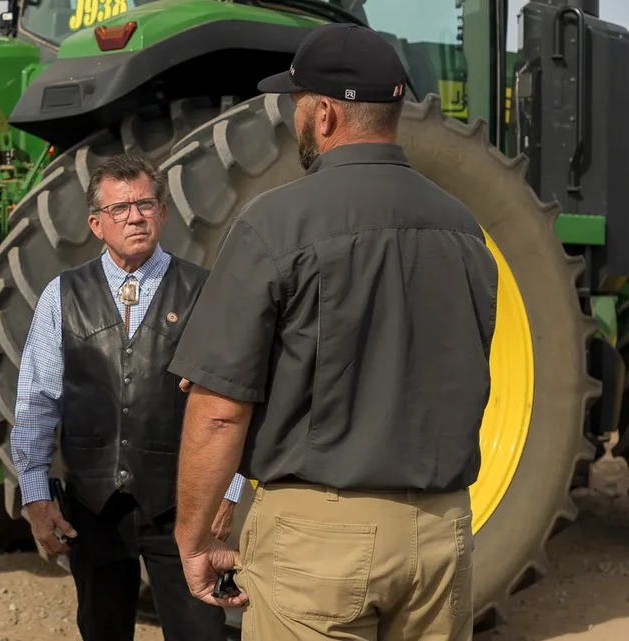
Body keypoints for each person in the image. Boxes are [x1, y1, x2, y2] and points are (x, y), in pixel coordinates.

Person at [168, 23, 498, 641]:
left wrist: (193, 536)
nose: (295, 119)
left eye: (296, 105)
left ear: (323, 115)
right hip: (444, 532)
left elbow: (217, 410)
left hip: (320, 540)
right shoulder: (466, 231)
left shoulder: (275, 224)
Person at [11, 154, 248, 641]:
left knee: (202, 633)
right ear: (97, 224)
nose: (134, 216)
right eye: (119, 209)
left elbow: (235, 400)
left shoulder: (204, 292)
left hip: (184, 510)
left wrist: (229, 493)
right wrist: (36, 497)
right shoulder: (62, 296)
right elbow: (36, 403)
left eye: (144, 204)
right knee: (101, 631)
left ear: (163, 213)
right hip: (94, 512)